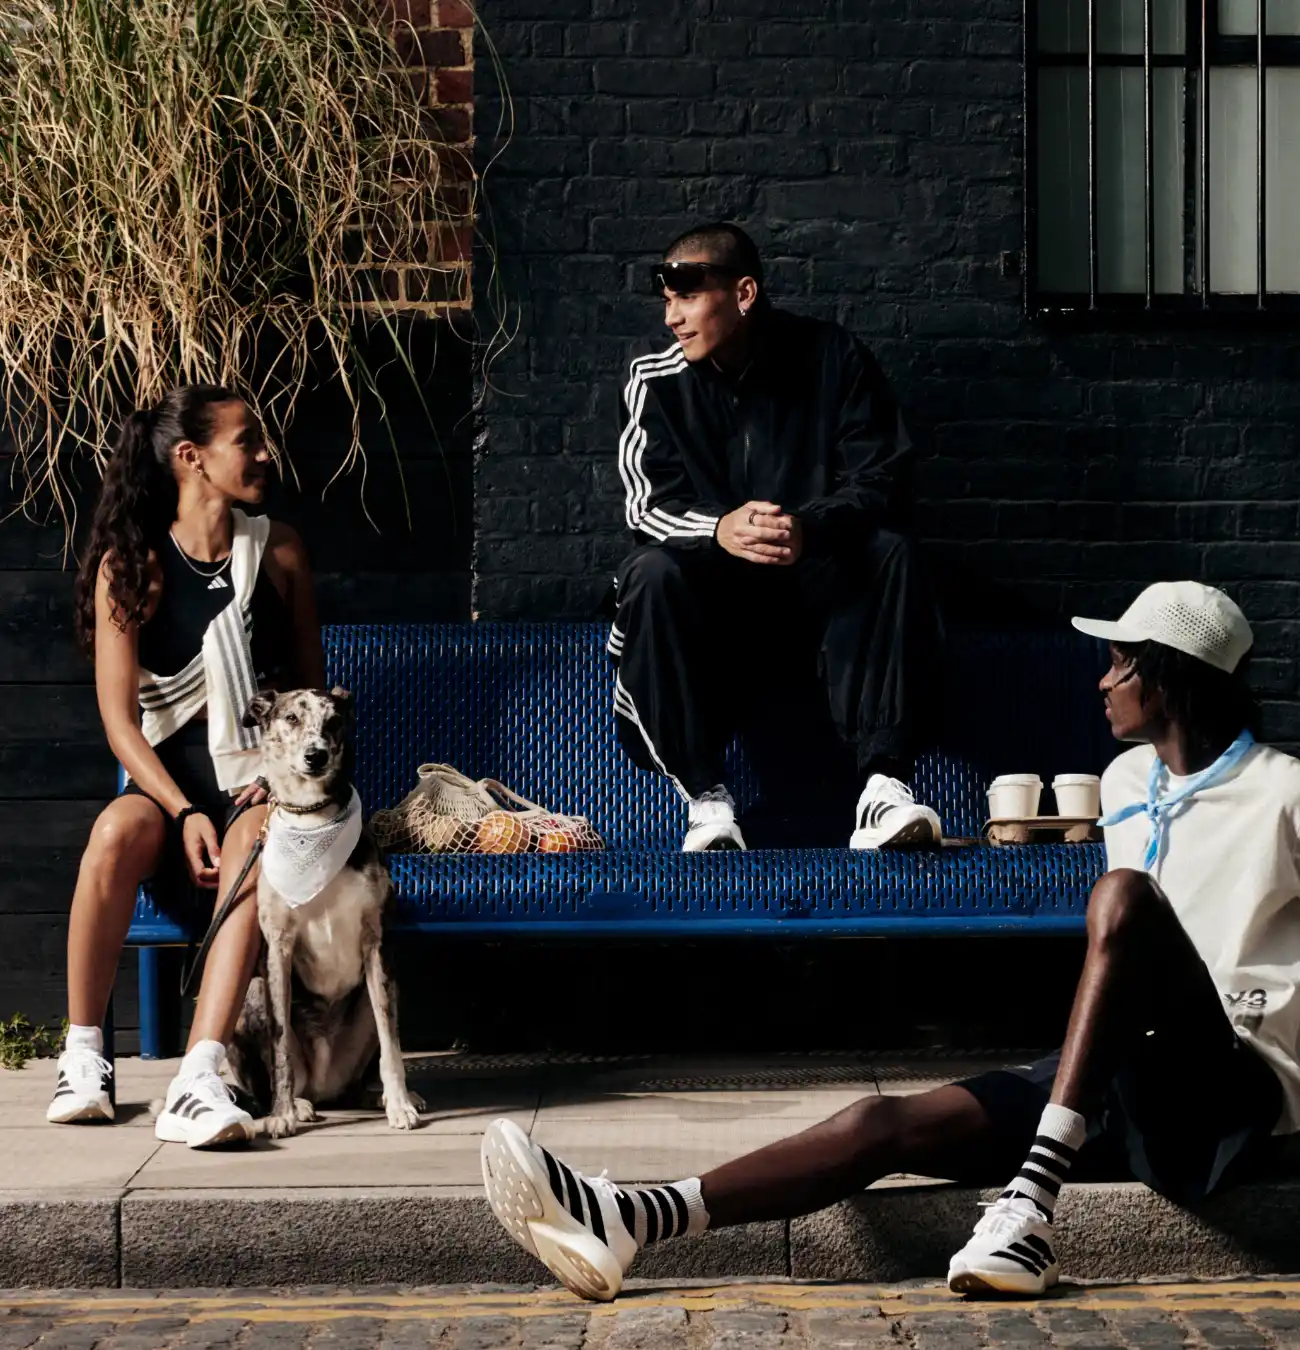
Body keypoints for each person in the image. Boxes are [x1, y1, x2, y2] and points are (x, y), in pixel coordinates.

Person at [482, 581, 1300, 1300]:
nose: (1103, 680)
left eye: (1121, 664)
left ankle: (1028, 1206)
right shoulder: (1125, 784)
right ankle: (634, 1218)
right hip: (1123, 1081)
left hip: (1231, 1082)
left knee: (1121, 894)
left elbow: (1145, 932)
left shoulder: (1283, 791)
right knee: (883, 1122)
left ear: (1173, 677)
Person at [47, 385, 323, 1147]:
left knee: (259, 839)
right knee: (110, 834)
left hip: (254, 792)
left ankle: (198, 1077)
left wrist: (276, 784)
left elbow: (306, 699)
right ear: (190, 459)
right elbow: (117, 719)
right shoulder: (129, 566)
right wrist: (181, 809)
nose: (263, 454)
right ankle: (84, 1058)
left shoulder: (280, 553)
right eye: (247, 440)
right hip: (169, 795)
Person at [610, 220, 942, 852]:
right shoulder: (654, 377)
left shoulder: (832, 357)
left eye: (687, 295)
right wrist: (720, 528)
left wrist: (807, 526)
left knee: (892, 549)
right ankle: (707, 800)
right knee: (649, 571)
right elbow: (644, 506)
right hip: (716, 617)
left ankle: (882, 788)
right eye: (667, 299)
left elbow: (882, 477)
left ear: (743, 293)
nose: (671, 318)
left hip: (817, 608)